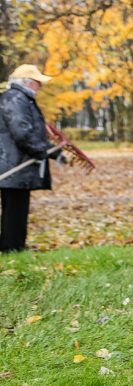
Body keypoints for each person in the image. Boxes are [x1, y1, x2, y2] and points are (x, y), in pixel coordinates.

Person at [0, 64, 57, 252]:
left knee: (16, 206)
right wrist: (39, 151)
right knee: (15, 208)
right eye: (38, 83)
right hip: (12, 163)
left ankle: (13, 245)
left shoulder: (21, 99)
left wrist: (54, 152)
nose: (40, 87)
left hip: (16, 162)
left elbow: (33, 133)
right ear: (29, 83)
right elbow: (22, 132)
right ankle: (12, 248)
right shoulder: (15, 99)